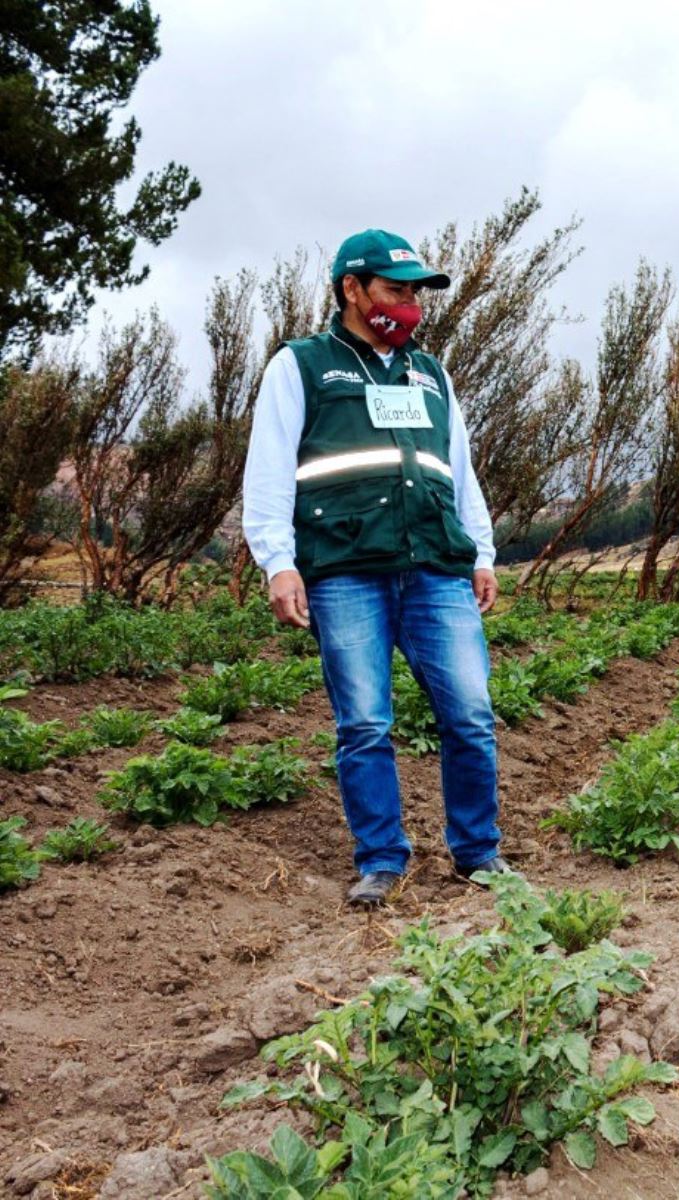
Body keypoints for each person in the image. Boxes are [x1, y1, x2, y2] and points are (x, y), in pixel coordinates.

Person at [241, 228, 511, 907]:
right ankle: (382, 860)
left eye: (416, 292)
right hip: (345, 569)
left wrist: (479, 551)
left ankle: (478, 854)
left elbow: (459, 469)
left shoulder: (431, 374)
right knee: (363, 722)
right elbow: (268, 470)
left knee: (472, 714)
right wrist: (278, 562)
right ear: (352, 290)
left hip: (435, 571)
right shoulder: (301, 366)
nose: (410, 303)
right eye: (395, 290)